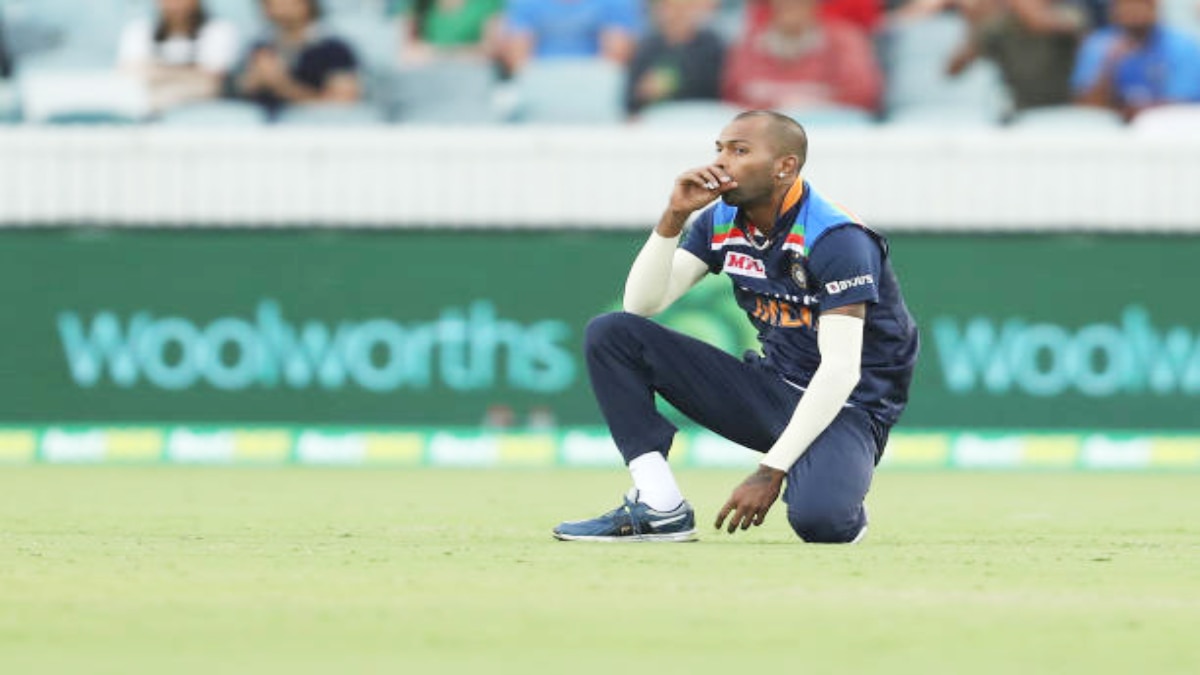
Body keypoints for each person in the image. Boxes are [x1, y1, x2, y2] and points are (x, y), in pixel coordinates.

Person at [553, 110, 919, 543]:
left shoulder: (837, 238)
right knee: (614, 333)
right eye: (719, 149)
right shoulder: (720, 221)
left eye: (740, 150)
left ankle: (831, 475)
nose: (721, 162)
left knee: (822, 523)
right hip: (771, 388)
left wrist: (770, 471)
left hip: (848, 407)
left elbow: (840, 371)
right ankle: (659, 505)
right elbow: (642, 304)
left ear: (785, 166)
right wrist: (673, 217)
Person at [722, 0, 883, 112]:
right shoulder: (749, 41)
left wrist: (805, 104)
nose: (790, 5)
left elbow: (861, 95)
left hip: (828, 131)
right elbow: (735, 94)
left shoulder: (845, 40)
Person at [945, 0, 1087, 112]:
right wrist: (976, 24)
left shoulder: (1069, 13)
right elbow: (954, 69)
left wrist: (1033, 14)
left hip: (1068, 110)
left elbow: (1072, 28)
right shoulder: (1000, 27)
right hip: (1020, 111)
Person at [1072, 0, 1200, 119]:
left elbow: (1183, 104)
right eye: (1126, 5)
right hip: (1111, 126)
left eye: (1140, 4)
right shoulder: (1098, 44)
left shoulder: (1182, 45)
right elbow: (1085, 106)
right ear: (1113, 9)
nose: (1133, 11)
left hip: (1165, 126)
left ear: (1154, 8)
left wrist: (1130, 113)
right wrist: (1109, 66)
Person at [235, 0, 361, 118]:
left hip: (316, 128)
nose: (277, 7)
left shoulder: (334, 50)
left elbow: (342, 104)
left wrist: (282, 85)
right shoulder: (260, 47)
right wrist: (252, 82)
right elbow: (238, 94)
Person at [117, 0, 241, 113]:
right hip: (145, 110)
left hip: (201, 113)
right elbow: (129, 73)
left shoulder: (219, 30)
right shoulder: (139, 31)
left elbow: (212, 81)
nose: (174, 4)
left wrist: (154, 73)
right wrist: (190, 74)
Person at [626, 0, 726, 115]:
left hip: (699, 115)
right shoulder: (647, 47)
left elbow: (714, 88)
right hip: (656, 117)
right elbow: (631, 99)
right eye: (671, 8)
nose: (678, 14)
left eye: (684, 9)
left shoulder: (711, 44)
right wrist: (644, 92)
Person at [500, 0, 643, 73]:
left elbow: (615, 60)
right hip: (540, 82)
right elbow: (518, 61)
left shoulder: (615, 3)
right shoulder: (525, 3)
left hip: (594, 85)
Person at [393, 0, 506, 65]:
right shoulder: (419, 4)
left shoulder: (487, 4)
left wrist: (437, 55)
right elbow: (408, 52)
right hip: (427, 82)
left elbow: (490, 52)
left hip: (470, 83)